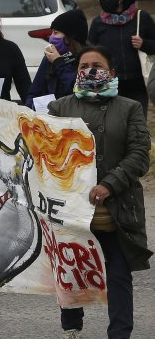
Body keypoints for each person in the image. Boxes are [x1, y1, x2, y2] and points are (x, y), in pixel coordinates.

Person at [49, 46, 151, 339]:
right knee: (69, 271)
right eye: (84, 65)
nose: (91, 70)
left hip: (117, 209)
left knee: (118, 275)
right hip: (72, 209)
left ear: (112, 72)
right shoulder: (59, 108)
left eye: (97, 64)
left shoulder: (130, 107)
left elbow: (140, 155)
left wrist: (109, 184)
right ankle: (72, 327)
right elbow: (50, 155)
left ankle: (120, 333)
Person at [88, 0, 155, 112]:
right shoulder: (98, 23)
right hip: (109, 83)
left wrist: (144, 44)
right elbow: (89, 52)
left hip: (137, 82)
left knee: (137, 122)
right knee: (115, 124)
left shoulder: (141, 17)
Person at [26, 9, 88, 110]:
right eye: (51, 33)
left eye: (56, 33)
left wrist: (58, 62)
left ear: (71, 36)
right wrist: (32, 108)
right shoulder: (49, 58)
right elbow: (34, 93)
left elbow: (78, 89)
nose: (51, 38)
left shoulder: (87, 59)